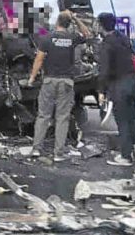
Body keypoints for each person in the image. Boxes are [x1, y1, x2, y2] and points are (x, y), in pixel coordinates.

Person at [28, 11, 86, 162]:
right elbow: (87, 34)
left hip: (49, 81)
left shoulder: (47, 38)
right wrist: (76, 18)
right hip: (66, 82)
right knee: (62, 117)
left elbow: (39, 59)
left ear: (57, 22)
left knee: (43, 116)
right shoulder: (72, 38)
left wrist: (32, 77)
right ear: (68, 24)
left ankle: (36, 149)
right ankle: (58, 153)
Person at [98, 12, 135, 167]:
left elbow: (105, 70)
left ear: (101, 25)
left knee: (122, 121)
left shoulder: (107, 44)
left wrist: (101, 90)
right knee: (132, 118)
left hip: (118, 85)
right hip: (132, 82)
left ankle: (126, 156)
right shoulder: (123, 38)